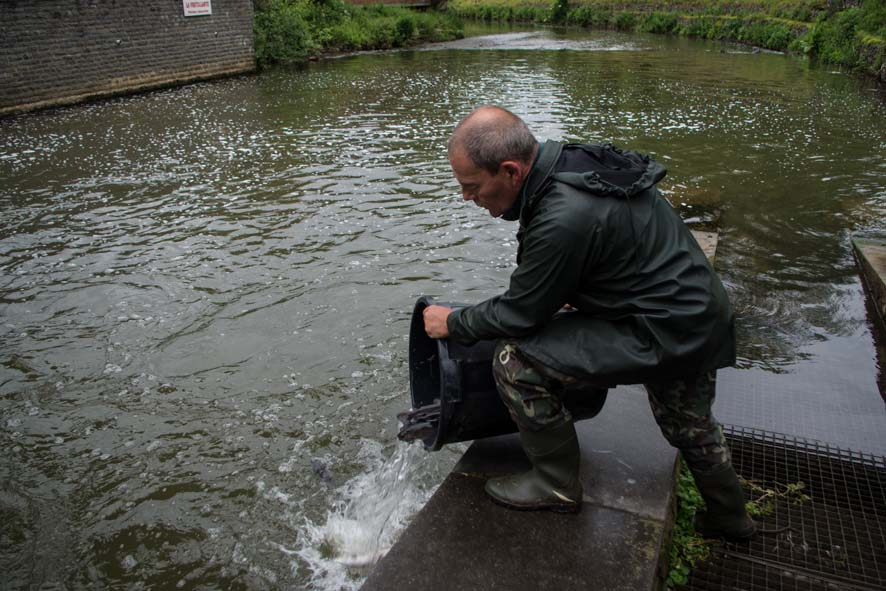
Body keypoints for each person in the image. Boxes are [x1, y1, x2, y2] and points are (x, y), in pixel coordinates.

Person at [422, 105, 755, 541]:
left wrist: (455, 321)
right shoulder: (568, 163)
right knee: (687, 423)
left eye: (471, 186)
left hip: (659, 325)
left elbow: (521, 313)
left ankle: (555, 484)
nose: (467, 197)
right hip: (692, 312)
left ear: (510, 170)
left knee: (515, 360)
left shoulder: (563, 215)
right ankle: (730, 517)